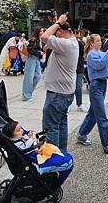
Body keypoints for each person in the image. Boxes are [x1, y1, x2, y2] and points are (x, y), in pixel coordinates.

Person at [39, 13, 78, 151]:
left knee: (51, 129)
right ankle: (61, 154)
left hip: (57, 93)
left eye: (58, 33)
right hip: (65, 92)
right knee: (61, 124)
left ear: (61, 31)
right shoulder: (72, 43)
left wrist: (58, 22)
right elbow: (46, 44)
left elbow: (43, 37)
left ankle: (53, 159)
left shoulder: (66, 44)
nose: (57, 35)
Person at [76, 34, 108, 155]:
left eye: (100, 40)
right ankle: (107, 144)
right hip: (95, 86)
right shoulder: (91, 55)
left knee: (93, 113)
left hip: (102, 84)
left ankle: (81, 134)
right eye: (98, 41)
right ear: (91, 43)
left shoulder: (101, 53)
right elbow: (100, 64)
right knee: (102, 116)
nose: (100, 42)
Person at [2, 120, 74, 186]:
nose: (21, 131)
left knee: (60, 153)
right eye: (18, 130)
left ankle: (55, 177)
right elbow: (25, 147)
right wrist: (31, 139)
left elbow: (27, 140)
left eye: (21, 128)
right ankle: (56, 184)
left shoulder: (19, 137)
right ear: (11, 136)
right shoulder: (16, 143)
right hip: (32, 157)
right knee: (67, 160)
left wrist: (30, 135)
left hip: (36, 151)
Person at [22, 27, 44, 102]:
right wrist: (39, 53)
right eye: (41, 31)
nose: (42, 32)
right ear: (38, 32)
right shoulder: (34, 39)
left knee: (38, 76)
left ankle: (28, 92)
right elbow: (30, 49)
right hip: (31, 58)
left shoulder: (40, 40)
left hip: (36, 59)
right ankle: (26, 96)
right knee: (29, 77)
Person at [72, 32, 89, 112]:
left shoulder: (81, 43)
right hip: (70, 68)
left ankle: (80, 104)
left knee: (78, 86)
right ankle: (69, 104)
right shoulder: (67, 43)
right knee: (70, 86)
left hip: (79, 67)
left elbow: (83, 54)